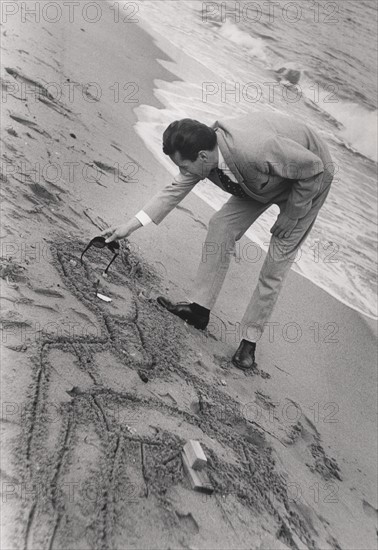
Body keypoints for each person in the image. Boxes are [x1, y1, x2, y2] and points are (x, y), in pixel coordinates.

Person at [101, 111, 334, 370]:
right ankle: (199, 310)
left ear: (202, 157)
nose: (182, 172)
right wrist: (129, 227)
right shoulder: (204, 151)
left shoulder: (255, 150)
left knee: (275, 263)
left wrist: (293, 213)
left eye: (184, 166)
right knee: (221, 225)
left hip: (308, 179)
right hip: (257, 178)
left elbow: (313, 168)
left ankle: (249, 341)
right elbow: (172, 191)